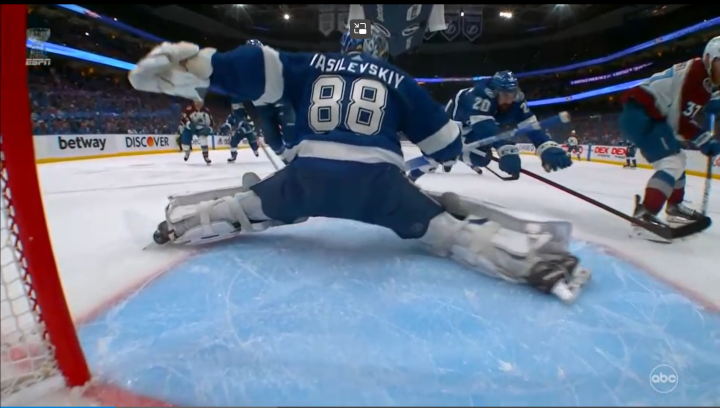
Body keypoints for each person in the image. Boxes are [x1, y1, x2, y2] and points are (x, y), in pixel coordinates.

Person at [127, 27, 591, 302]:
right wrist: (462, 150)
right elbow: (446, 144)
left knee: (245, 206)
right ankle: (534, 266)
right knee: (452, 233)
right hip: (378, 187)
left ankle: (180, 225)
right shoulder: (398, 79)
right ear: (380, 51)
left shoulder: (311, 64)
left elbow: (261, 66)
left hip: (306, 177)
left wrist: (208, 66)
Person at [620, 36, 720, 240]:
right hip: (641, 114)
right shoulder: (696, 77)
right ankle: (645, 214)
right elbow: (677, 123)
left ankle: (674, 206)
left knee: (679, 160)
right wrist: (703, 138)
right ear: (709, 59)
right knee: (672, 162)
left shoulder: (702, 77)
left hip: (648, 114)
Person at [408, 71, 572, 182]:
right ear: (494, 92)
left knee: (481, 158)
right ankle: (413, 177)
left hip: (473, 126)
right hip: (455, 120)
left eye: (512, 94)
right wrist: (505, 148)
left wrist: (546, 146)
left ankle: (461, 157)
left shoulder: (516, 101)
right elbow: (484, 127)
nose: (509, 100)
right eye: (505, 95)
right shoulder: (481, 96)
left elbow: (531, 125)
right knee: (440, 154)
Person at [246, 40, 297, 165]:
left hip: (282, 102)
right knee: (273, 141)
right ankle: (288, 163)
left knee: (291, 137)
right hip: (262, 107)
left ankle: (298, 161)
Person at [180, 100, 214, 164]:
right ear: (194, 102)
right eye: (197, 102)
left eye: (200, 102)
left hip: (201, 128)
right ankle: (187, 152)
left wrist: (209, 129)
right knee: (185, 144)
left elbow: (211, 123)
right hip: (190, 128)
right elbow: (183, 119)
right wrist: (188, 124)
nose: (198, 104)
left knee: (203, 139)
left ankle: (206, 156)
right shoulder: (189, 109)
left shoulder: (207, 111)